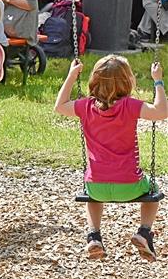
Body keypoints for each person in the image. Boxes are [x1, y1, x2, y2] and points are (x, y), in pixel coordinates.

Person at [54, 55, 166, 260]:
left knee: (92, 195)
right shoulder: (130, 106)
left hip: (97, 187)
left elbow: (60, 106)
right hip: (130, 186)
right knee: (153, 191)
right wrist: (158, 80)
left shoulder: (86, 106)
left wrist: (71, 75)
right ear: (127, 81)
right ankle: (144, 232)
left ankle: (94, 235)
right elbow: (161, 112)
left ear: (94, 81)